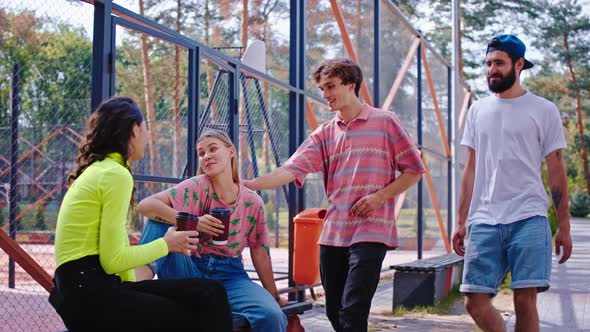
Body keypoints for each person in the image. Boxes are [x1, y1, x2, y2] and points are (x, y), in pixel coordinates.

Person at [242, 58, 425, 332]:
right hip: (334, 233)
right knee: (333, 310)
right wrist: (251, 184)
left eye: (330, 87)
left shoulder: (386, 122)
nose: (325, 95)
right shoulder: (325, 134)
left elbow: (414, 170)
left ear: (351, 85)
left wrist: (378, 197)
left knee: (353, 310)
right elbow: (291, 169)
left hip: (372, 231)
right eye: (322, 89)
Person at [49, 97, 233, 331]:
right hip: (88, 292)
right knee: (188, 314)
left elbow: (112, 260)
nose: (147, 137)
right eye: (145, 128)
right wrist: (166, 244)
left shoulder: (103, 170)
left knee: (210, 291)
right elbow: (113, 259)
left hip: (86, 287)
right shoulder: (116, 175)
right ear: (134, 130)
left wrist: (138, 291)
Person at [452, 34, 573, 332]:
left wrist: (564, 226)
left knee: (524, 300)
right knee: (474, 300)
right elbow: (471, 168)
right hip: (484, 219)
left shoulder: (544, 110)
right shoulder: (478, 110)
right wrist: (460, 220)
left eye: (499, 63)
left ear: (518, 65)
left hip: (528, 217)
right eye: (489, 63)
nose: (492, 69)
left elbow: (556, 169)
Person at [136, 128, 288, 332]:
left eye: (213, 149)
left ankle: (223, 308)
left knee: (272, 316)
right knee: (160, 218)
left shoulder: (252, 202)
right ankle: (134, 286)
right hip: (189, 268)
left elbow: (259, 251)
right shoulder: (195, 187)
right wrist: (195, 221)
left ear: (231, 151)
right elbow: (145, 205)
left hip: (230, 276)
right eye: (201, 153)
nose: (206, 156)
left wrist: (274, 296)